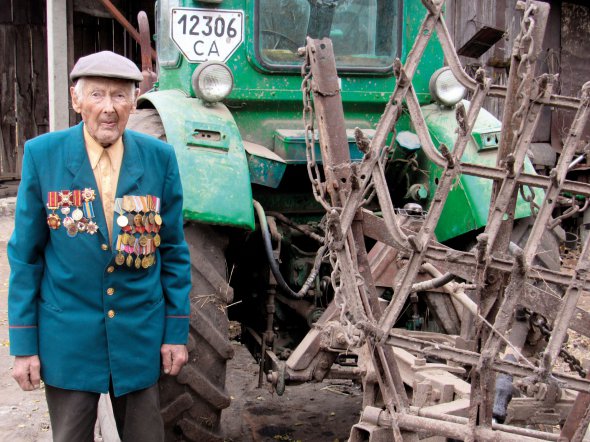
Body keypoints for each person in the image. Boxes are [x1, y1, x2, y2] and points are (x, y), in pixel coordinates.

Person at [7, 51, 191, 442]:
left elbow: (173, 251)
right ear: (77, 101)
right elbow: (25, 256)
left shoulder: (159, 158)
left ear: (134, 101)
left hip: (138, 338)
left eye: (119, 96)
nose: (108, 109)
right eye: (96, 95)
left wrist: (175, 333)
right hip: (69, 339)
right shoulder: (44, 155)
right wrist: (24, 346)